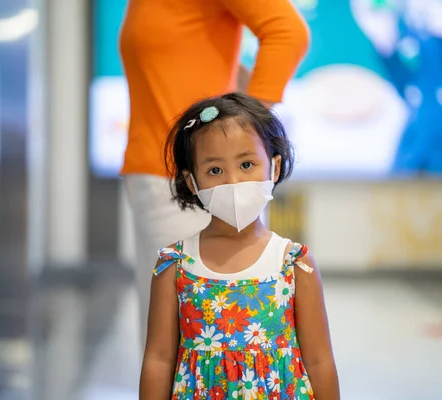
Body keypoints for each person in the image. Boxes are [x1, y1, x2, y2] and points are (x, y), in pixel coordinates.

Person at [119, 0, 310, 346]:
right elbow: (200, 59)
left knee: (195, 346)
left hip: (189, 184)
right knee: (175, 343)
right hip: (160, 176)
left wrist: (241, 131)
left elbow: (288, 33)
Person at [139, 93, 339, 400]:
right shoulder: (174, 265)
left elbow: (319, 360)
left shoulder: (295, 264)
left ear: (273, 168)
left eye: (247, 164)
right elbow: (158, 359)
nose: (233, 181)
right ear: (192, 183)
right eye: (215, 170)